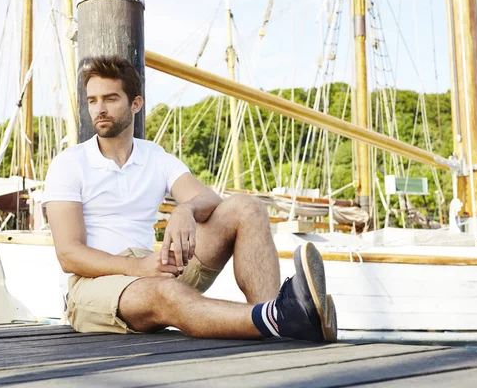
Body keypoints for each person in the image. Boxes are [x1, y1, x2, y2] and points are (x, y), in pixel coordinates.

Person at [42, 55, 337, 342]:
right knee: (169, 294)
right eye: (92, 100)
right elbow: (69, 254)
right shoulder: (69, 163)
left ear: (135, 104)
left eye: (110, 98)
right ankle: (283, 316)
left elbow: (207, 198)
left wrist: (186, 209)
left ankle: (276, 316)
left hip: (154, 269)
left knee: (246, 208)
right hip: (97, 288)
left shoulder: (153, 156)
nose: (99, 109)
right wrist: (139, 269)